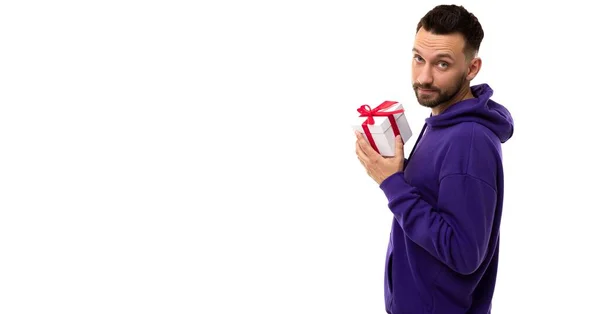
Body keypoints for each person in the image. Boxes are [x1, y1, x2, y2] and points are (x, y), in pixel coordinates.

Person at [354, 4, 514, 314]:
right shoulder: (442, 121)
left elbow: (464, 254)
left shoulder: (468, 141)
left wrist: (391, 183)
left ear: (472, 68)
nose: (423, 77)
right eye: (418, 59)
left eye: (442, 64)